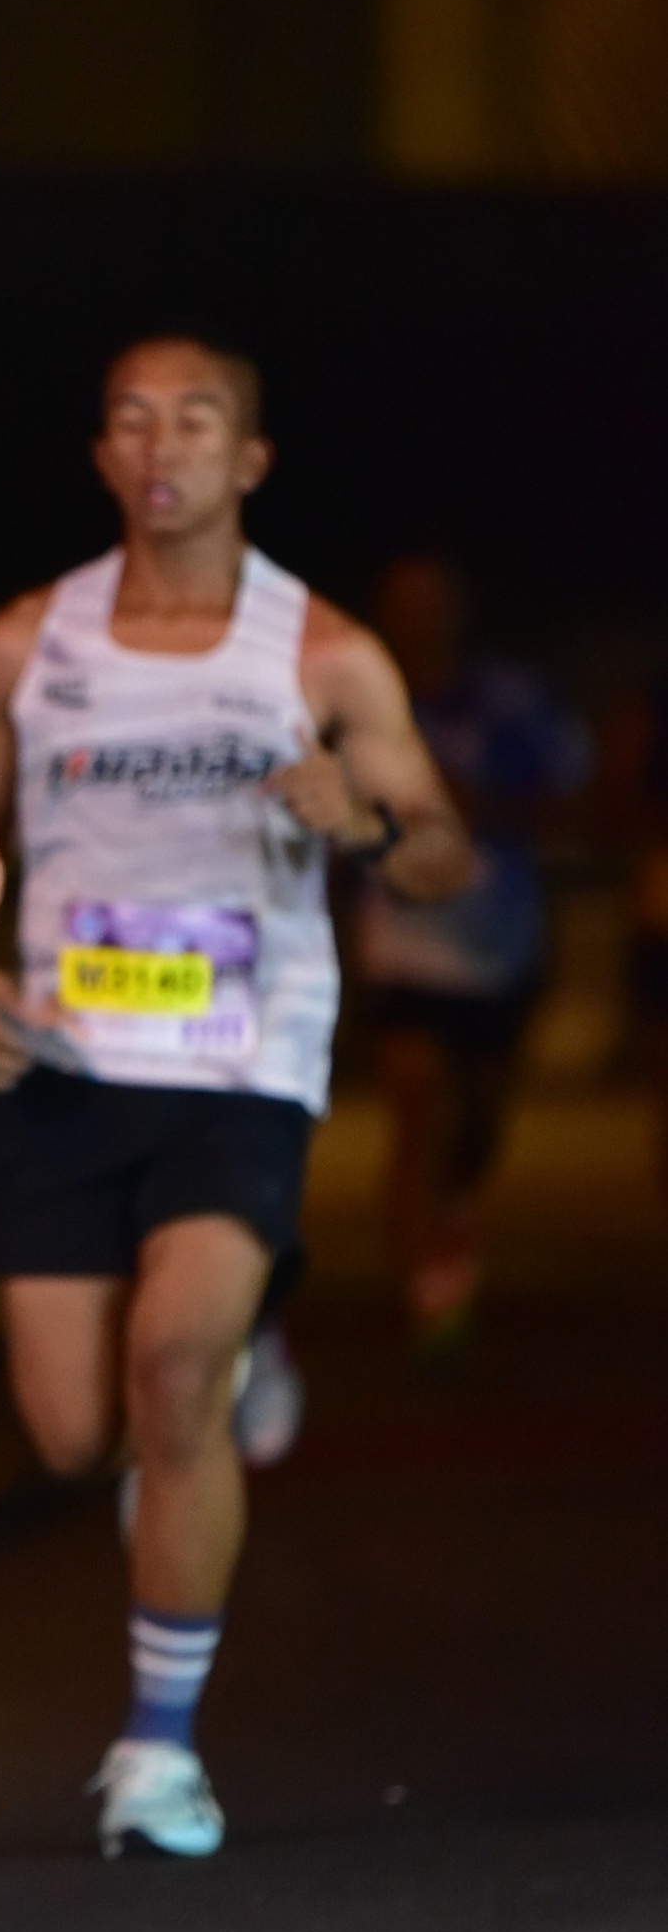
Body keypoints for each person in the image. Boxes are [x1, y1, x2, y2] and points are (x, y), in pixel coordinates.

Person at [0, 338, 474, 1862]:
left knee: (174, 1375)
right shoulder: (23, 644)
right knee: (68, 1436)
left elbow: (443, 853)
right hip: (61, 1066)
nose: (160, 443)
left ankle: (156, 1751)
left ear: (248, 460)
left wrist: (366, 821)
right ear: (102, 457)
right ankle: (234, 1361)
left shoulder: (323, 656)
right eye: (130, 419)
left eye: (195, 420)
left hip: (240, 1068)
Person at [352, 557, 588, 1352]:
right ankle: (427, 1295)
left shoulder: (509, 700)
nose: (420, 617)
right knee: (418, 1106)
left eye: (434, 602)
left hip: (497, 947)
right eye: (404, 603)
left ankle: (452, 1215)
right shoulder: (357, 703)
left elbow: (576, 799)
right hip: (401, 947)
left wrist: (480, 806)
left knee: (478, 1122)